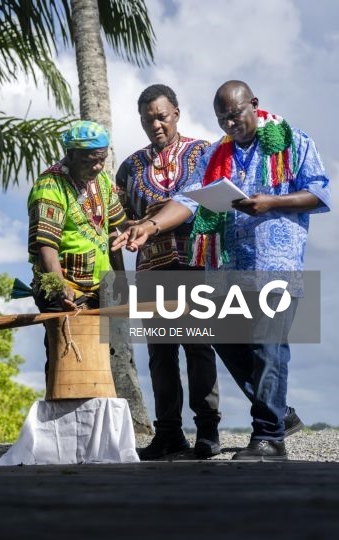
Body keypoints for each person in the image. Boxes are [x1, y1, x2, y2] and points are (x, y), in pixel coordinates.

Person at [112, 80, 330, 460]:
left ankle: (268, 437)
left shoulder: (293, 141)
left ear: (254, 104)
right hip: (230, 269)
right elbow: (188, 200)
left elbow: (320, 192)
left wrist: (273, 203)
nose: (230, 123)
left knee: (268, 347)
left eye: (235, 114)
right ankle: (277, 417)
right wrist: (149, 227)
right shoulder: (216, 155)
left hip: (275, 264)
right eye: (222, 118)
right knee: (226, 341)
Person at [115, 84, 221, 459]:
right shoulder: (129, 167)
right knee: (161, 353)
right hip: (152, 270)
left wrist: (156, 216)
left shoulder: (204, 153)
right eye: (148, 119)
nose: (156, 124)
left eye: (162, 116)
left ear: (176, 112)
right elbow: (120, 220)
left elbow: (207, 202)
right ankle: (169, 433)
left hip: (195, 265)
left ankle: (208, 431)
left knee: (197, 345)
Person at [27, 120, 126, 373]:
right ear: (71, 154)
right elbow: (46, 246)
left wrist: (121, 281)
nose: (97, 166)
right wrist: (61, 289)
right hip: (63, 291)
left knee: (96, 365)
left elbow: (115, 231)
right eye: (90, 160)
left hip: (97, 291)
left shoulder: (102, 180)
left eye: (102, 159)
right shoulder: (50, 186)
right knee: (68, 364)